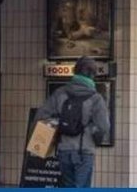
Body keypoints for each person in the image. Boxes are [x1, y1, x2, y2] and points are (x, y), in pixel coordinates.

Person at [37, 57, 111, 188]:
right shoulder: (96, 98)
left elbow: (40, 117)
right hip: (85, 151)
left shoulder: (60, 93)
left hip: (64, 150)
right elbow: (104, 126)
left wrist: (58, 126)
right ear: (92, 75)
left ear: (75, 72)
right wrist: (95, 137)